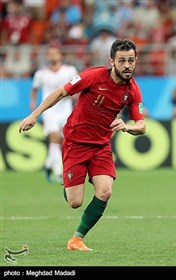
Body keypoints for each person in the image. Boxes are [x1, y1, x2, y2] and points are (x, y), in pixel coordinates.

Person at [19, 38, 146, 251]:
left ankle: (76, 239)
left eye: (131, 61)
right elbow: (61, 92)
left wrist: (127, 127)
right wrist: (34, 115)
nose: (127, 65)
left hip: (101, 146)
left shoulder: (133, 90)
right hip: (75, 143)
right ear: (112, 61)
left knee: (105, 191)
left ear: (136, 61)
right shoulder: (92, 76)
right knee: (75, 202)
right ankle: (69, 186)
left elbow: (141, 125)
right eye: (122, 60)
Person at [30, 44, 78, 183]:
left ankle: (48, 164)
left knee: (64, 140)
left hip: (65, 110)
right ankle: (58, 172)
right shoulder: (41, 73)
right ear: (47, 57)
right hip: (49, 110)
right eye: (50, 54)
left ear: (60, 55)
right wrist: (33, 102)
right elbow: (34, 88)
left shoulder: (69, 71)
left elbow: (76, 87)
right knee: (54, 137)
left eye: (55, 53)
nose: (53, 56)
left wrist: (75, 97)